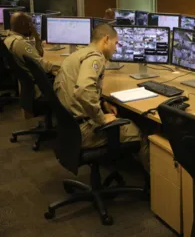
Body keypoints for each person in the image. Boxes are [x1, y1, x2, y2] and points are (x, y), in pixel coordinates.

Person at [54, 24, 149, 170]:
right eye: (115, 43)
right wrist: (102, 118)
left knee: (121, 115)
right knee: (142, 132)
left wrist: (102, 102)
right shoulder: (95, 58)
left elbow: (79, 88)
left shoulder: (78, 54)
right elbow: (83, 90)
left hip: (69, 128)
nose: (116, 48)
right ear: (106, 40)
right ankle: (155, 188)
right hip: (83, 131)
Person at [3, 12, 59, 97]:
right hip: (38, 86)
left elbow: (38, 55)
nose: (33, 26)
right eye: (31, 23)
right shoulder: (20, 44)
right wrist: (62, 66)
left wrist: (36, 37)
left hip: (27, 82)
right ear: (24, 24)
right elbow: (43, 65)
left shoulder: (8, 39)